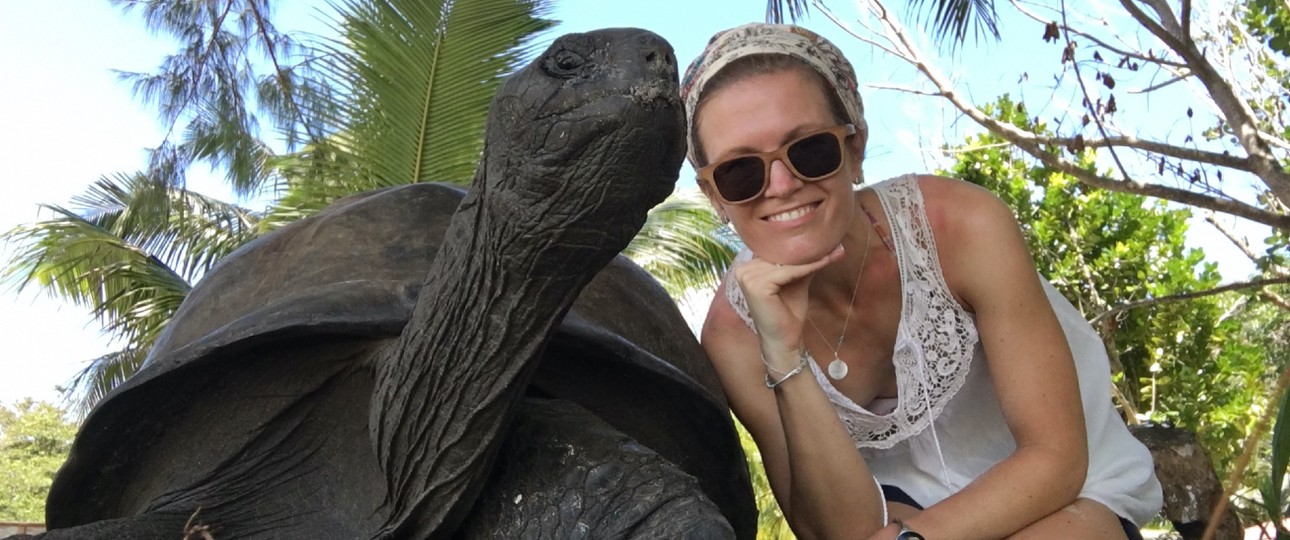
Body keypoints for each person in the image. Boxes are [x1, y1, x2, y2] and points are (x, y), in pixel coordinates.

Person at [682, 23, 1163, 539]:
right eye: (740, 172)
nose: (780, 185)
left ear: (856, 147)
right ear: (715, 197)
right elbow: (835, 531)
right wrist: (785, 357)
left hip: (1065, 492)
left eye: (809, 150)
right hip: (898, 514)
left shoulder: (959, 228)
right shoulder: (734, 336)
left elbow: (1056, 460)